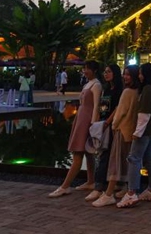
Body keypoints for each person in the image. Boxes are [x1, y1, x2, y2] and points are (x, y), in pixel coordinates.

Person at [48, 60, 103, 198]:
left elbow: (96, 106)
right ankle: (90, 181)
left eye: (87, 69)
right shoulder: (87, 84)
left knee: (78, 153)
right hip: (81, 118)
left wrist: (93, 124)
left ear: (94, 70)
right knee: (87, 153)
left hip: (87, 120)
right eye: (84, 68)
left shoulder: (96, 85)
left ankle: (65, 186)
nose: (84, 71)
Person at [92, 65, 140, 207]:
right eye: (124, 74)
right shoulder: (138, 91)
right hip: (131, 130)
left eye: (128, 75)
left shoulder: (126, 92)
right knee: (126, 161)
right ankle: (126, 188)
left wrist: (111, 125)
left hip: (120, 129)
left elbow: (120, 112)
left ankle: (108, 193)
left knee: (115, 162)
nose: (125, 77)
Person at [117, 62, 151, 208]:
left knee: (134, 159)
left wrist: (137, 132)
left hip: (144, 131)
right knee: (149, 158)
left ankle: (131, 193)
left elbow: (144, 113)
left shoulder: (148, 90)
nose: (140, 76)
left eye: (141, 73)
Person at [85, 64, 124, 203]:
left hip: (111, 125)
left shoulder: (120, 90)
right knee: (102, 154)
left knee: (105, 155)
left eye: (109, 72)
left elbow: (118, 108)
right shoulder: (107, 89)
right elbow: (103, 106)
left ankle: (99, 187)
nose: (106, 74)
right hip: (103, 123)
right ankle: (103, 185)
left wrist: (107, 122)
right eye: (105, 72)